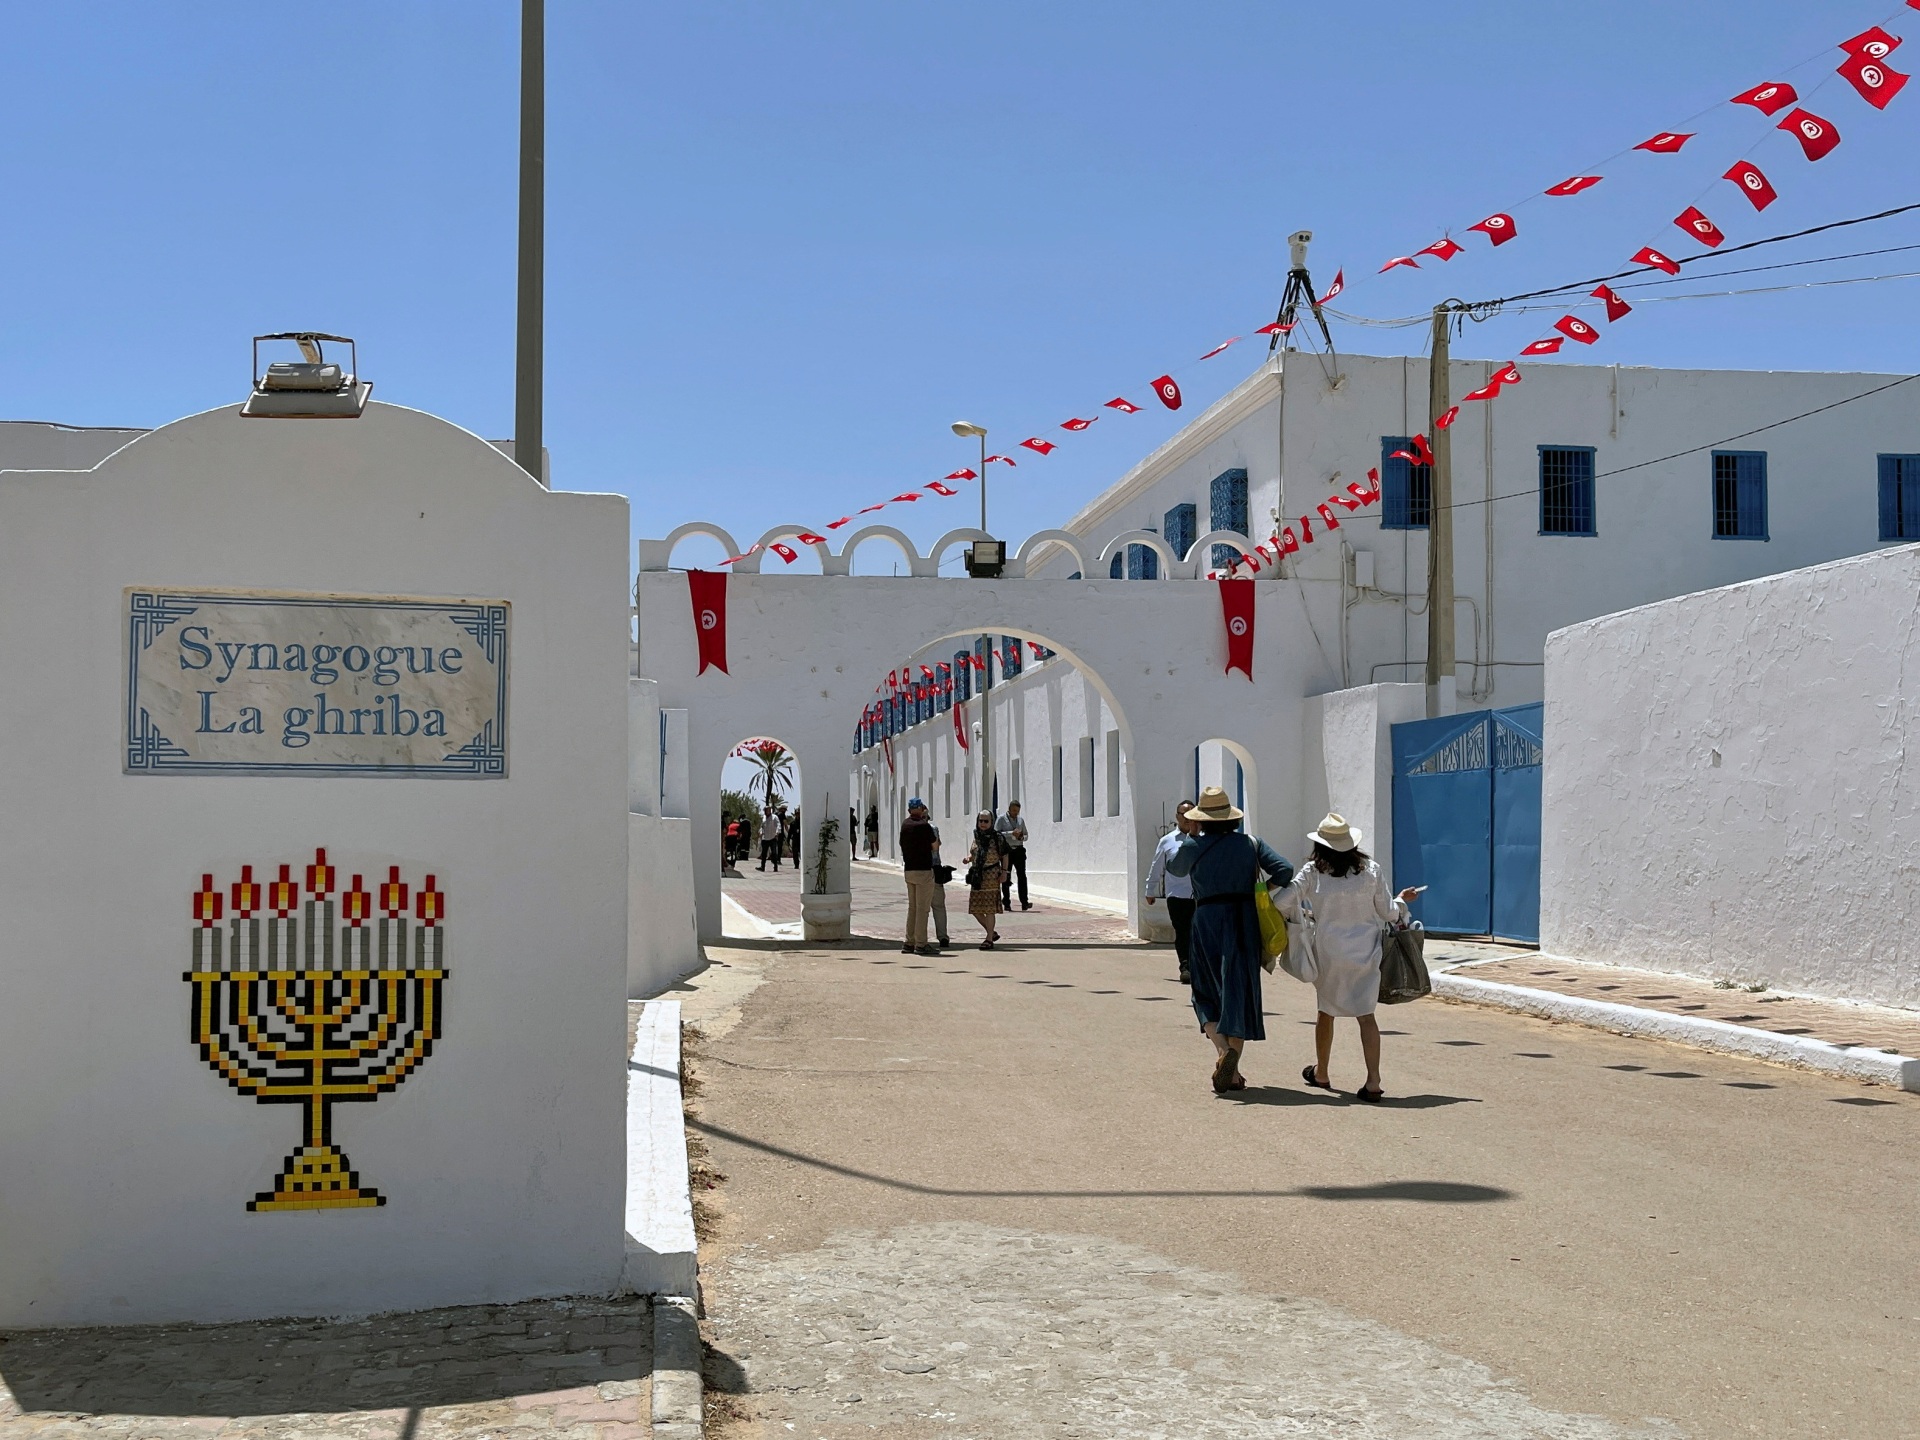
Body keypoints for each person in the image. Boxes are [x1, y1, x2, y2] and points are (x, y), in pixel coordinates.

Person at [1274, 813, 1418, 1103]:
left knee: (1325, 1012)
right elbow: (1389, 913)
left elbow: (1281, 903)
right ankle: (1373, 1081)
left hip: (1328, 953)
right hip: (1366, 952)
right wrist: (1402, 901)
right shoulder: (1371, 870)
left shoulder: (1312, 872)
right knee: (1367, 1017)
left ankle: (1323, 1072)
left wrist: (1306, 917)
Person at [1166, 786, 1293, 1093]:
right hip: (1244, 917)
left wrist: (1190, 836)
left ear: (1201, 819)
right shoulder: (1251, 843)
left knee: (1204, 990)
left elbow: (1174, 867)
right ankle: (1233, 1070)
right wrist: (1261, 890)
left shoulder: (1195, 845)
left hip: (1208, 918)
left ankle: (1224, 1053)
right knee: (1238, 988)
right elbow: (1285, 870)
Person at [1144, 800, 1198, 984]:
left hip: (1201, 895)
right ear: (1177, 817)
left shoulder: (1204, 839)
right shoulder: (1167, 841)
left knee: (1199, 932)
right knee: (1183, 932)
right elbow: (1157, 865)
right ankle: (1186, 967)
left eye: (1191, 813)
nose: (1187, 818)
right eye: (1183, 814)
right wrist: (1150, 890)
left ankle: (1200, 966)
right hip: (1178, 895)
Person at [963, 810, 1011, 949]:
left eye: (986, 821)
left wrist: (1004, 872)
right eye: (981, 821)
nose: (983, 824)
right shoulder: (976, 837)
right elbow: (975, 853)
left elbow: (1005, 855)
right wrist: (969, 859)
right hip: (978, 877)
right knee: (976, 909)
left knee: (989, 909)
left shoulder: (997, 837)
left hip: (992, 876)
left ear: (991, 822)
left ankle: (989, 939)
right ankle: (991, 932)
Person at [899, 798, 939, 956]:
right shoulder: (924, 826)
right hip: (923, 870)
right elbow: (935, 846)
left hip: (909, 870)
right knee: (923, 909)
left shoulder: (905, 825)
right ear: (921, 809)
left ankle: (909, 941)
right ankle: (921, 943)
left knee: (913, 908)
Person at [996, 802, 1031, 910]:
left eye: (1017, 811)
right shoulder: (1001, 819)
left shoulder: (1020, 820)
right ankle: (1006, 902)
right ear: (1009, 809)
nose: (1016, 813)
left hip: (1019, 850)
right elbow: (997, 834)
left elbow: (1026, 835)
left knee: (1022, 876)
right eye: (1014, 811)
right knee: (1006, 875)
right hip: (1007, 850)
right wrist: (1011, 833)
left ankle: (1024, 902)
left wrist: (1021, 836)